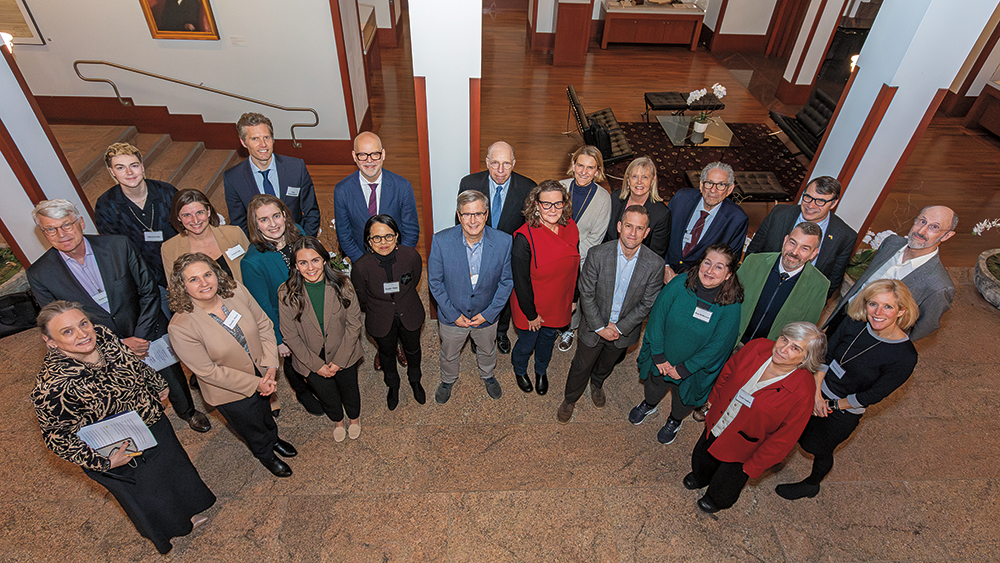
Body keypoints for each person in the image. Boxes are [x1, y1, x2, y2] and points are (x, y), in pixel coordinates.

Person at [32, 301, 215, 554]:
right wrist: (104, 462)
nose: (83, 334)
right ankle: (172, 529)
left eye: (83, 323)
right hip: (117, 450)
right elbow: (57, 438)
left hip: (150, 423)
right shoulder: (52, 387)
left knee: (172, 470)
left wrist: (156, 382)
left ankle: (189, 510)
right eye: (67, 331)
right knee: (150, 492)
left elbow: (134, 363)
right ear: (50, 341)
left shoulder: (104, 336)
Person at [27, 200, 210, 433]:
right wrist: (118, 346)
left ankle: (188, 411)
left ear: (81, 222)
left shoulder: (118, 245)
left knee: (172, 377)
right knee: (125, 390)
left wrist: (140, 336)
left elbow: (148, 290)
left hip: (147, 328)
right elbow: (59, 322)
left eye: (66, 225)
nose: (61, 234)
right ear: (43, 233)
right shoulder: (40, 273)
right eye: (50, 229)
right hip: (99, 346)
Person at [776, 279, 919, 500]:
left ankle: (812, 484)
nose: (878, 312)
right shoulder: (853, 322)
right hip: (815, 387)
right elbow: (826, 355)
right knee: (787, 428)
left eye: (888, 306)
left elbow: (872, 395)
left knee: (817, 447)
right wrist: (816, 394)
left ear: (901, 311)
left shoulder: (905, 356)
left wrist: (829, 404)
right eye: (873, 304)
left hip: (843, 408)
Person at [167, 253, 298, 477]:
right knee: (251, 426)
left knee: (265, 413)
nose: (204, 282)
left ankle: (273, 439)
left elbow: (263, 324)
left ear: (216, 274)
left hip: (263, 370)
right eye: (193, 279)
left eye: (207, 274)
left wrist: (271, 367)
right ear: (183, 286)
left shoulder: (236, 291)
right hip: (230, 390)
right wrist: (257, 383)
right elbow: (207, 371)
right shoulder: (181, 326)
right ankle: (265, 453)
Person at [685, 322, 826, 513]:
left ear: (806, 358)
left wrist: (753, 466)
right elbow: (728, 372)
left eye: (795, 348)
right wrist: (711, 402)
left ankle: (716, 499)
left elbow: (783, 440)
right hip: (719, 419)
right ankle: (701, 476)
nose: (782, 349)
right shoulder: (757, 347)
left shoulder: (803, 392)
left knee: (729, 478)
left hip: (744, 446)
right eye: (784, 339)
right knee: (704, 452)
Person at [557, 205, 665, 423]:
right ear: (619, 227)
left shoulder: (655, 264)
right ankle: (570, 398)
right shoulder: (597, 254)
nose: (632, 233)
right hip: (593, 327)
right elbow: (586, 292)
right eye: (628, 226)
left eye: (639, 228)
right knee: (580, 365)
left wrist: (618, 328)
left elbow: (647, 303)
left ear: (647, 232)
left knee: (606, 364)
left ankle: (597, 383)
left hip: (623, 333)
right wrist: (600, 327)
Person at [630, 243, 743, 445]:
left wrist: (684, 369)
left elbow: (719, 347)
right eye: (707, 263)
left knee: (684, 399)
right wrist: (658, 355)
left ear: (728, 275)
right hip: (662, 357)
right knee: (654, 386)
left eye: (719, 267)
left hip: (694, 370)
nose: (709, 270)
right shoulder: (680, 284)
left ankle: (674, 421)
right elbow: (657, 318)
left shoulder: (731, 306)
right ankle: (649, 404)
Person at [241, 194, 323, 416]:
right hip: (286, 324)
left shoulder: (297, 233)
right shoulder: (252, 261)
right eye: (264, 219)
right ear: (255, 224)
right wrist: (278, 340)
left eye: (276, 216)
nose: (273, 224)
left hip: (312, 310)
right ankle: (302, 391)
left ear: (285, 215)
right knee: (293, 361)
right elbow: (262, 306)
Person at [428, 190, 513, 404]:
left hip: (486, 314)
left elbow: (506, 282)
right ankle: (448, 379)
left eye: (478, 214)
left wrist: (489, 313)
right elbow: (435, 283)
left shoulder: (504, 242)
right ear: (458, 215)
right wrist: (453, 314)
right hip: (452, 315)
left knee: (487, 349)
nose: (472, 220)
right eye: (467, 214)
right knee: (449, 352)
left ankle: (487, 374)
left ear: (486, 215)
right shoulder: (441, 241)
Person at [824, 206, 956, 341]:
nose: (921, 231)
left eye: (934, 227)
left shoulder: (939, 286)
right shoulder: (892, 243)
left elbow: (925, 326)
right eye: (922, 221)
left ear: (947, 235)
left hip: (872, 338)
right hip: (846, 314)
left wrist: (888, 343)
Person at [279, 237, 365, 442]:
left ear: (324, 260)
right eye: (303, 262)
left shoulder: (343, 284)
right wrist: (316, 366)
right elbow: (290, 335)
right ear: (296, 266)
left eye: (315, 260)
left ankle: (354, 418)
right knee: (327, 395)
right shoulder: (286, 293)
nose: (310, 268)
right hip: (310, 357)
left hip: (343, 350)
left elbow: (354, 324)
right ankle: (338, 421)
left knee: (349, 389)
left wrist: (340, 360)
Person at [458, 141, 535, 355]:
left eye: (506, 164)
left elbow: (530, 227)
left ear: (514, 163)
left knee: (505, 294)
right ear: (486, 162)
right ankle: (477, 332)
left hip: (508, 254)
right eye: (495, 163)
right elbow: (460, 221)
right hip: (475, 249)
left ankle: (501, 332)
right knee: (477, 291)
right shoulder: (469, 183)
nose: (500, 170)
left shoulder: (528, 187)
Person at [510, 180, 580, 395]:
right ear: (536, 205)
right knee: (526, 344)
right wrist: (531, 314)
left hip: (559, 302)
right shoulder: (524, 237)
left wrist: (574, 297)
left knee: (547, 341)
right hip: (531, 305)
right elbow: (520, 281)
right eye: (546, 204)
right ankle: (520, 370)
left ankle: (541, 371)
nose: (553, 209)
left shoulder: (571, 228)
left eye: (558, 204)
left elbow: (575, 267)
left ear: (564, 204)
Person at [94, 142, 179, 317]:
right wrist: (154, 281)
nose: (129, 173)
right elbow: (117, 252)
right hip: (146, 279)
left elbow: (185, 232)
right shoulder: (106, 205)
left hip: (181, 266)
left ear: (142, 166)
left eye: (134, 165)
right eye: (120, 167)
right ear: (112, 172)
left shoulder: (167, 192)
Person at [350, 215, 425, 410]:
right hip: (379, 317)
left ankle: (415, 380)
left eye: (388, 236)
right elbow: (362, 297)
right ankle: (393, 385)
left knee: (413, 350)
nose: (383, 242)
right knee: (386, 354)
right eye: (377, 238)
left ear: (397, 236)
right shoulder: (360, 267)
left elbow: (415, 279)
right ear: (368, 240)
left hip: (409, 312)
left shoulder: (411, 256)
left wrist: (400, 299)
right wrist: (381, 305)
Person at [745, 176, 857, 297]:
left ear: (834, 203)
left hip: (800, 298)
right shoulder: (778, 214)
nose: (811, 206)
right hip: (759, 287)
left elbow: (832, 282)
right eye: (808, 197)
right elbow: (753, 253)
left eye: (820, 201)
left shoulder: (845, 236)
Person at [224, 112, 321, 236]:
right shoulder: (233, 178)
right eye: (255, 139)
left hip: (298, 240)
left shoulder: (296, 167)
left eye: (266, 137)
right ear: (244, 142)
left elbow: (312, 212)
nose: (263, 144)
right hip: (262, 248)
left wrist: (304, 243)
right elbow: (240, 224)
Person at [736, 222, 830, 345]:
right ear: (785, 240)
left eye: (804, 248)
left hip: (769, 353)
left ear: (813, 253)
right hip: (732, 341)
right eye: (792, 243)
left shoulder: (819, 286)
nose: (795, 252)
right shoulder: (754, 262)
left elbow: (803, 332)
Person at [556, 145, 612, 352]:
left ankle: (570, 328)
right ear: (573, 165)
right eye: (580, 165)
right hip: (553, 254)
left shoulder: (604, 198)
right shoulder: (559, 187)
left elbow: (595, 237)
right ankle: (553, 320)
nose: (584, 171)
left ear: (598, 171)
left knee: (576, 295)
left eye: (590, 167)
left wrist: (568, 253)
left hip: (582, 258)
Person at [334, 131, 420, 263]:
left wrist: (399, 259)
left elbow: (411, 231)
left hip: (397, 259)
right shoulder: (342, 190)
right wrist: (364, 264)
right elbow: (344, 236)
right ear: (354, 156)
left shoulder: (402, 186)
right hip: (361, 261)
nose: (369, 160)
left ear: (383, 154)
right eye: (362, 155)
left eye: (375, 154)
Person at [664, 161, 748, 279]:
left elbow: (730, 261)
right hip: (661, 274)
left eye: (720, 185)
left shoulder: (737, 220)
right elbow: (660, 235)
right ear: (701, 185)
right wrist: (664, 266)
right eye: (709, 183)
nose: (713, 190)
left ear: (729, 189)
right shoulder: (681, 199)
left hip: (698, 284)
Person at [162, 189, 251, 285]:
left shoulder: (234, 234)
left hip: (242, 298)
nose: (195, 220)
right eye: (187, 215)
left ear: (208, 211)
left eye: (199, 212)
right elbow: (176, 291)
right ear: (178, 217)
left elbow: (254, 271)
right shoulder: (169, 249)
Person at [604, 156, 671, 261]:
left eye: (645, 177)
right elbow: (606, 237)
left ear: (653, 180)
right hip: (608, 257)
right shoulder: (615, 198)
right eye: (635, 176)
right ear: (628, 179)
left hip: (639, 265)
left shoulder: (661, 214)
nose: (639, 182)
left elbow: (655, 255)